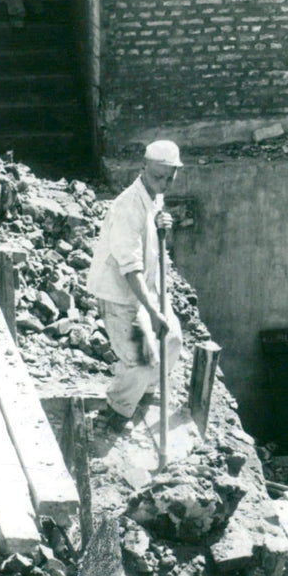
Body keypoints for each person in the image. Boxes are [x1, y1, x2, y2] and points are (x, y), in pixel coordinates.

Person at [87, 140, 184, 432]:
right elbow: (131, 269)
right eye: (158, 176)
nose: (165, 183)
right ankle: (116, 411)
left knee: (173, 340)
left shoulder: (153, 195)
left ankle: (144, 392)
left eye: (171, 177)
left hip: (145, 290)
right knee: (142, 360)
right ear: (143, 167)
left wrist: (161, 225)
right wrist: (154, 312)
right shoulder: (127, 206)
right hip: (120, 296)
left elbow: (152, 235)